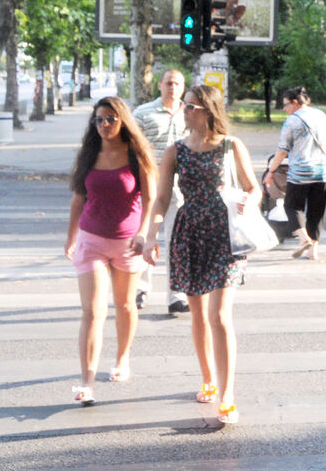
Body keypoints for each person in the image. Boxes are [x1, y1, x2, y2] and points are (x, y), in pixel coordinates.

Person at [143, 84, 261, 424]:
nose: (184, 109)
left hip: (225, 234)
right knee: (198, 315)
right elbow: (161, 199)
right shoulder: (176, 151)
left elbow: (253, 188)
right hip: (190, 233)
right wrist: (150, 236)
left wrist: (249, 200)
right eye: (185, 105)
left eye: (190, 106)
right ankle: (208, 378)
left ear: (208, 110)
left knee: (220, 316)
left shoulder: (231, 146)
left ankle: (227, 394)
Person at [64, 97, 156, 406]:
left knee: (125, 305)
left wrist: (144, 234)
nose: (104, 125)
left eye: (111, 119)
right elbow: (78, 199)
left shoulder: (136, 155)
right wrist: (71, 236)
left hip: (128, 242)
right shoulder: (89, 154)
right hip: (91, 240)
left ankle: (122, 358)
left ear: (123, 121)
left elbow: (151, 199)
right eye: (99, 120)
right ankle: (86, 382)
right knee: (92, 311)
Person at [132, 69, 189, 315]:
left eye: (177, 83)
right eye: (168, 83)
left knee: (177, 240)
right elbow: (132, 147)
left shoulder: (190, 112)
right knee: (146, 236)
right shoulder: (143, 113)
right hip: (150, 183)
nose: (172, 87)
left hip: (180, 186)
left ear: (183, 87)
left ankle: (176, 295)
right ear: (159, 85)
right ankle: (140, 288)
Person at [263, 86, 326, 261]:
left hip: (301, 172)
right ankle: (313, 252)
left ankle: (303, 239)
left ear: (295, 102)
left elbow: (282, 151)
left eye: (285, 105)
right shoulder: (321, 116)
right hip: (323, 171)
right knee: (316, 212)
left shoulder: (292, 121)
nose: (284, 109)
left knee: (292, 207)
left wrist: (271, 171)